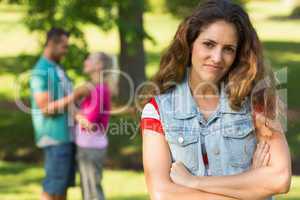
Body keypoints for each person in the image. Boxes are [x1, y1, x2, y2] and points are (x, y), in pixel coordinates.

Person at [140, 1, 291, 200]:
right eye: (209, 44)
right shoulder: (157, 111)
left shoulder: (257, 102)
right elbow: (162, 193)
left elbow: (280, 179)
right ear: (190, 44)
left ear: (238, 55)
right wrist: (250, 188)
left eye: (228, 49)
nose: (217, 57)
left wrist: (194, 182)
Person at [30, 28, 89, 200]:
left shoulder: (57, 68)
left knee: (61, 188)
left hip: (66, 137)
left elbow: (67, 103)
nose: (66, 51)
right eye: (64, 47)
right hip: (54, 137)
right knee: (52, 188)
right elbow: (46, 109)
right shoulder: (41, 70)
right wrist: (76, 94)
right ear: (51, 44)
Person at [74, 52, 112, 200]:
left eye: (89, 59)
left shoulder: (100, 90)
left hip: (91, 148)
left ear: (99, 65)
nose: (86, 61)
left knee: (92, 194)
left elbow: (89, 124)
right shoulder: (96, 89)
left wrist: (72, 110)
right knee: (88, 191)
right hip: (87, 147)